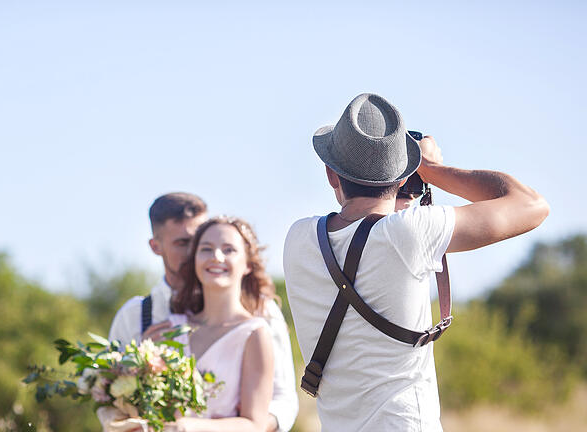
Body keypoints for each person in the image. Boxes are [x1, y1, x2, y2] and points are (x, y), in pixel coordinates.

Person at [283, 93, 549, 431]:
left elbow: (362, 233)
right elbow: (532, 205)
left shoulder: (299, 238)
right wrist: (432, 170)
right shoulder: (409, 233)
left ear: (331, 175)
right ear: (402, 176)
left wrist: (406, 183)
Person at [107, 193, 298, 432]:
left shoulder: (262, 316)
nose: (211, 255)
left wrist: (234, 425)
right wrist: (138, 362)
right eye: (186, 243)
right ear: (156, 246)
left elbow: (282, 400)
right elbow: (108, 399)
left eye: (226, 248)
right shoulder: (139, 315)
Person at [165, 216, 276, 431]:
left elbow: (254, 424)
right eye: (206, 249)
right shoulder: (172, 328)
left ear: (248, 265)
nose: (216, 257)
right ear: (195, 259)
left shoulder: (255, 334)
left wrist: (188, 427)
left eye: (229, 250)